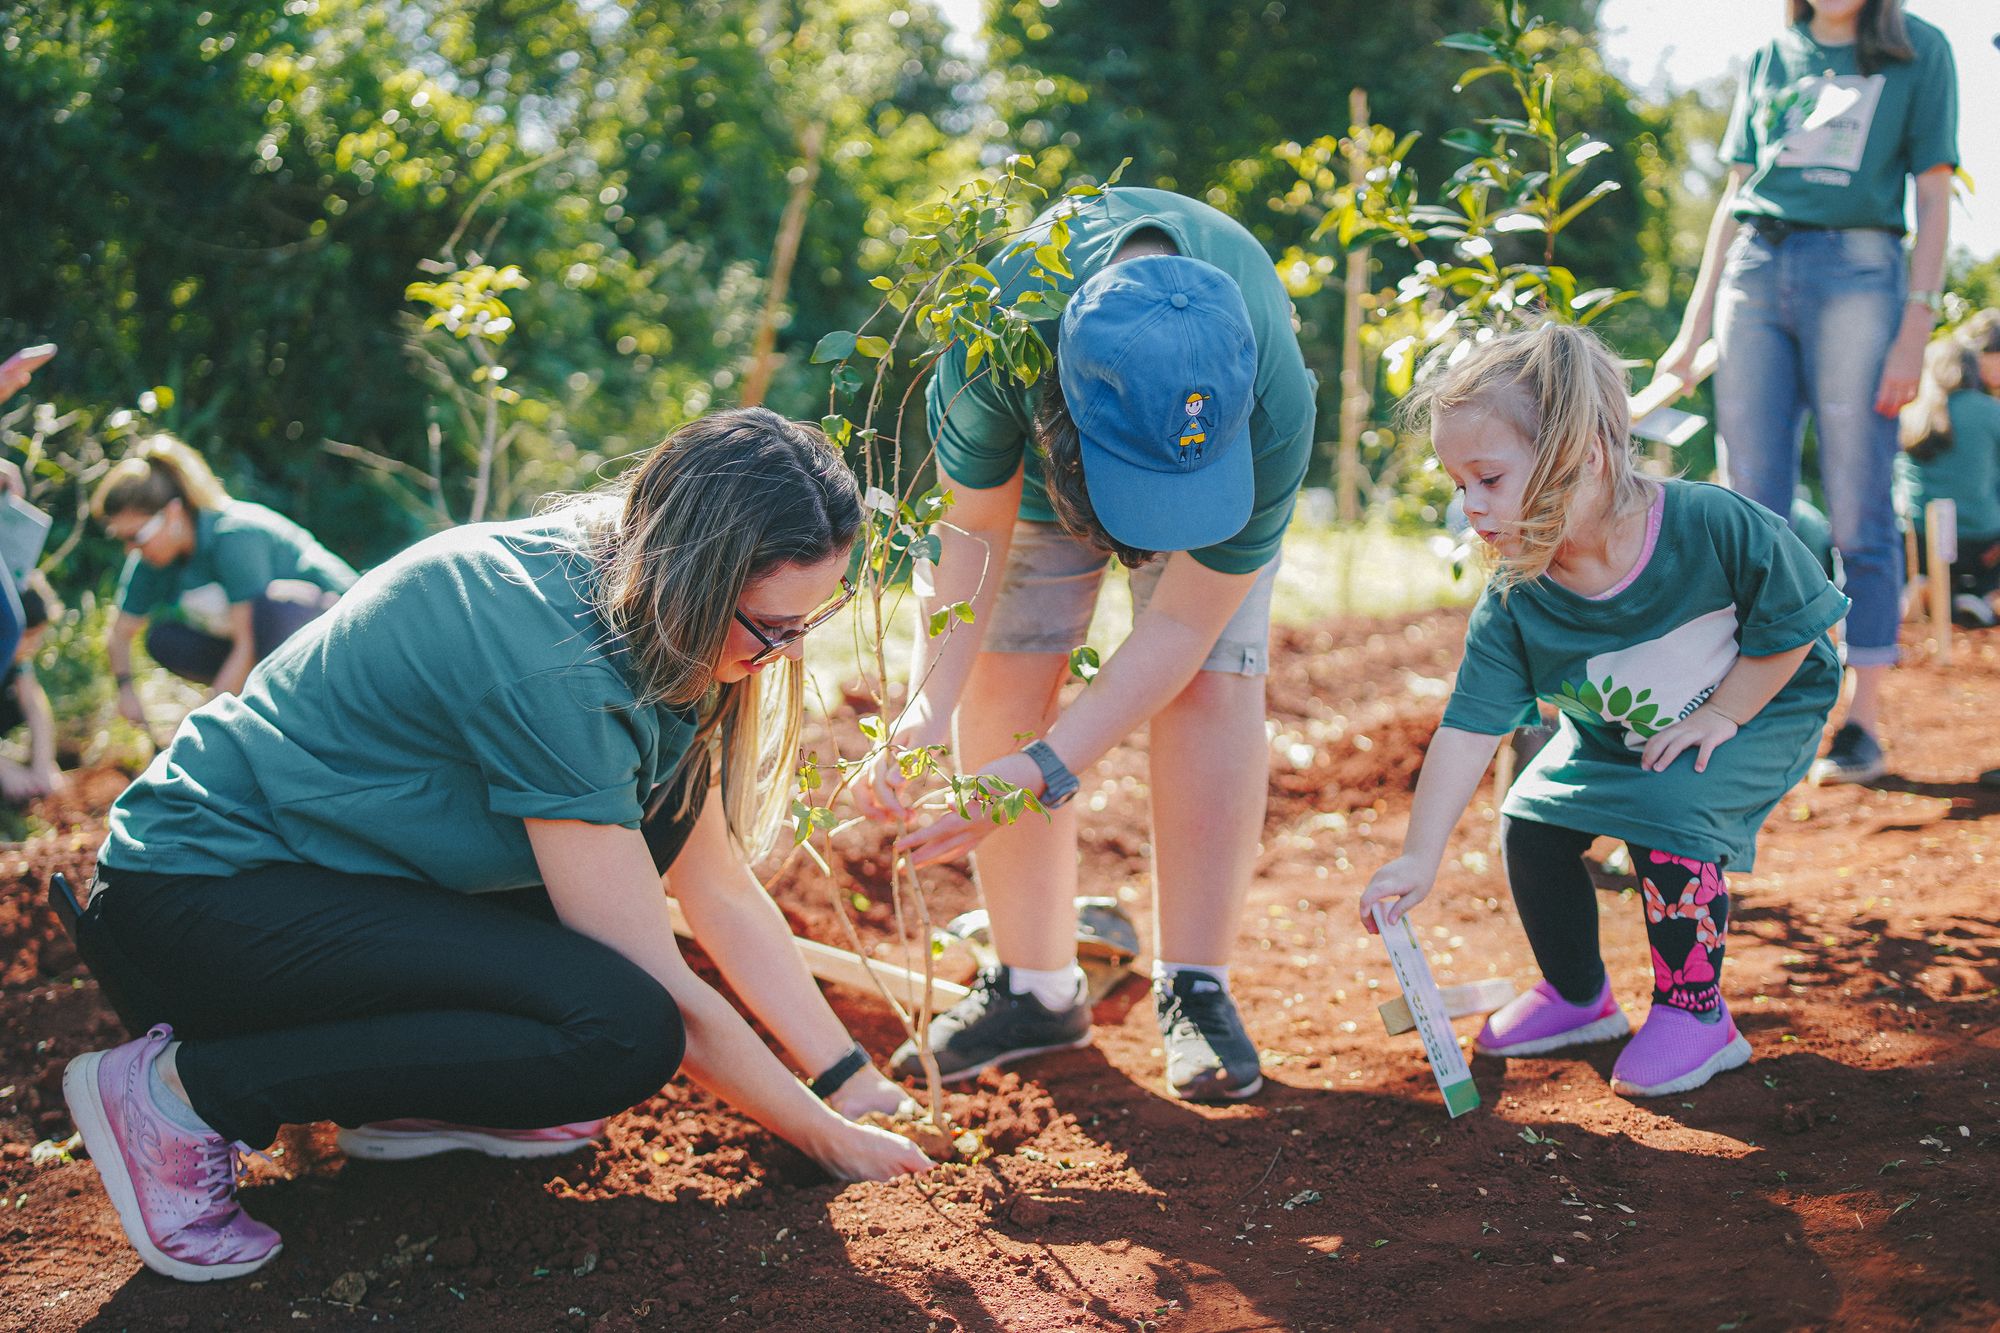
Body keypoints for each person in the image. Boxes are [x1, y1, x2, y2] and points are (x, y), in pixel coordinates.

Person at [61, 408, 929, 1284]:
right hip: (202, 902)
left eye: (810, 622)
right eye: (772, 628)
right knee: (619, 1029)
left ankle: (404, 1107)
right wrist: (829, 1139)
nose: (786, 654)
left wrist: (848, 1077)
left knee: (647, 851)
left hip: (327, 883)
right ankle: (182, 1095)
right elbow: (655, 979)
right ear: (698, 578)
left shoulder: (654, 613)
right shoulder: (551, 654)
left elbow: (719, 890)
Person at [854, 186, 1316, 1102]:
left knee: (1212, 681)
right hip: (1036, 472)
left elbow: (1184, 623)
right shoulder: (999, 335)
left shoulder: (1269, 402)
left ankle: (1196, 984)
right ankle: (1034, 988)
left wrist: (1048, 766)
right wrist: (921, 710)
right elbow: (969, 538)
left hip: (1213, 470)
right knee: (1002, 669)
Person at [1362, 324, 1846, 1098]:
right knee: (1532, 818)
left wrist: (1725, 712)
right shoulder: (1518, 595)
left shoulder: (1712, 523)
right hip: (1620, 732)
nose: (1470, 508)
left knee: (1668, 805)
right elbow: (1469, 726)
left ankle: (1697, 1012)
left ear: (1583, 455)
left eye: (1488, 478)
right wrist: (1420, 853)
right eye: (1460, 486)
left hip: (1764, 701)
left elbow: (1796, 623)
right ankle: (1578, 993)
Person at [1653, 0, 1960, 786]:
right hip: (1756, 271)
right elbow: (1733, 196)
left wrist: (1914, 333)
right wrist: (1692, 333)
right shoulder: (1772, 55)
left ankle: (1861, 720)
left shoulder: (1919, 50)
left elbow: (1931, 197)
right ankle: (1752, 714)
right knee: (1753, 510)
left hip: (1861, 273)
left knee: (1860, 505)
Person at [92, 435, 358, 714]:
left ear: (173, 513)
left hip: (341, 628)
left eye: (137, 536)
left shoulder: (232, 536)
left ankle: (293, 708)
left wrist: (204, 723)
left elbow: (248, 644)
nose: (130, 549)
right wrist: (125, 691)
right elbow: (120, 634)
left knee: (269, 613)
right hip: (268, 645)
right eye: (123, 539)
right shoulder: (150, 557)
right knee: (164, 639)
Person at [1896, 332, 2000, 626]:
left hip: (1915, 537)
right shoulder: (1991, 412)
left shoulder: (1910, 412)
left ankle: (1924, 586)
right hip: (1978, 542)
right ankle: (1975, 595)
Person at [0, 573, 66, 803]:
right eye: (28, 636)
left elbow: (33, 703)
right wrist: (4, 771)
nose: (34, 645)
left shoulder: (18, 661)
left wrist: (43, 764)